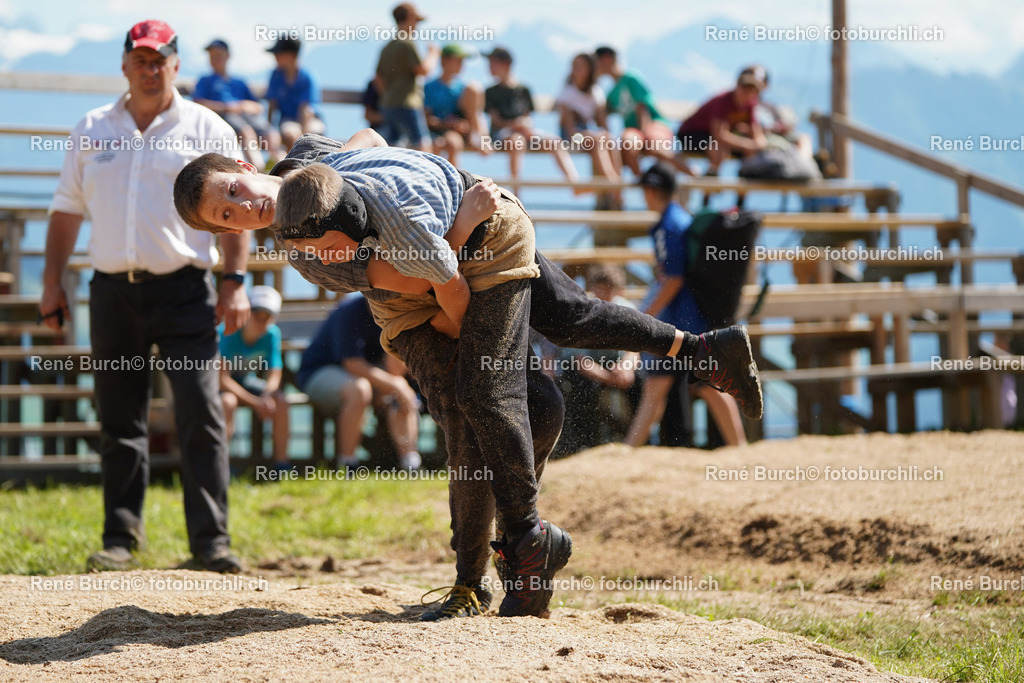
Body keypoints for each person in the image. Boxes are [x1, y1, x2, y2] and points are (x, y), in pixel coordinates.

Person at [172, 131, 763, 620]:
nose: (242, 208)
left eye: (233, 191)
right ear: (231, 237)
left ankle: (524, 543)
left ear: (247, 166)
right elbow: (435, 288)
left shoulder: (314, 160)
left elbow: (373, 140)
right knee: (484, 401)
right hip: (424, 293)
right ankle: (480, 573)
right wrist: (460, 237)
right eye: (226, 218)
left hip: (479, 236)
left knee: (532, 362)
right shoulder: (306, 252)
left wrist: (422, 183)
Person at [39, 19, 250, 574]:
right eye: (141, 59)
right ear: (125, 65)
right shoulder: (91, 127)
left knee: (200, 414)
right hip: (111, 292)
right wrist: (50, 281)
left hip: (185, 291)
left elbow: (240, 209)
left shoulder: (208, 128)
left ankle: (211, 543)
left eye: (160, 60)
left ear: (176, 65)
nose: (150, 69)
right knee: (119, 418)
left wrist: (234, 281)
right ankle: (119, 539)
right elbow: (66, 208)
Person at [625, 164, 747, 448]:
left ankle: (629, 450)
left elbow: (674, 279)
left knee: (694, 385)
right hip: (692, 319)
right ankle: (630, 449)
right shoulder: (679, 218)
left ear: (652, 191)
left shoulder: (668, 224)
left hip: (682, 320)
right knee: (682, 384)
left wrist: (648, 315)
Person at [296, 294, 422, 471]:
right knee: (361, 389)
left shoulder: (397, 309)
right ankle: (348, 465)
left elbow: (396, 363)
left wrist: (394, 383)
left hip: (366, 375)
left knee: (397, 390)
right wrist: (395, 384)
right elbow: (352, 364)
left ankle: (410, 464)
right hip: (320, 372)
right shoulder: (349, 310)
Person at [551, 264, 641, 457]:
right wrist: (610, 378)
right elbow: (579, 360)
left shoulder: (627, 308)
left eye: (608, 289)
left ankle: (638, 441)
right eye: (600, 288)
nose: (604, 294)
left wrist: (627, 367)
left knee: (645, 380)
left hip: (616, 367)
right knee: (577, 385)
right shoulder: (584, 310)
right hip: (587, 369)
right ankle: (582, 445)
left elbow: (635, 350)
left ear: (617, 290)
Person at [484, 46, 579, 192]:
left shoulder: (524, 90)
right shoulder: (490, 91)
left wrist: (526, 126)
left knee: (554, 141)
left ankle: (574, 184)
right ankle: (516, 192)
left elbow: (528, 116)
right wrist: (516, 125)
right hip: (502, 135)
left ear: (506, 64)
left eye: (493, 62)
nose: (489, 67)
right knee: (517, 142)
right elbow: (496, 122)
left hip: (524, 131)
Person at [219, 286, 289, 470]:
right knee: (228, 402)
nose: (261, 321)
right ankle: (221, 467)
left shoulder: (272, 334)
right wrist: (255, 402)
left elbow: (275, 372)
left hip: (244, 381)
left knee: (280, 400)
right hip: (218, 387)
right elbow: (222, 379)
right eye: (257, 314)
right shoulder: (227, 330)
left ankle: (282, 466)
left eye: (267, 317)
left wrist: (267, 395)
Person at [192, 38, 281, 168]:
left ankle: (281, 168)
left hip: (245, 115)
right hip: (223, 116)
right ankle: (260, 170)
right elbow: (198, 103)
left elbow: (258, 106)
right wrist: (227, 108)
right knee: (245, 132)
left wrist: (245, 106)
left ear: (227, 56)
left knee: (270, 133)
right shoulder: (205, 81)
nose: (214, 58)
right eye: (212, 55)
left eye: (218, 55)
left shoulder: (239, 82)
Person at [593, 46, 680, 177]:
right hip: (634, 132)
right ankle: (644, 181)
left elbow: (642, 109)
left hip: (654, 124)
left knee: (654, 146)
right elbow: (601, 116)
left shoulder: (631, 77)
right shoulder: (611, 94)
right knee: (626, 147)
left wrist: (644, 135)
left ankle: (691, 173)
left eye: (595, 62)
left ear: (606, 59)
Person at [676, 67, 767, 176]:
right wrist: (748, 144)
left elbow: (757, 134)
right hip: (690, 135)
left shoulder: (750, 103)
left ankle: (743, 185)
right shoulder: (723, 101)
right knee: (718, 149)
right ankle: (710, 183)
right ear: (737, 87)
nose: (747, 94)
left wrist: (757, 143)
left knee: (749, 152)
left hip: (712, 137)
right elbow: (720, 135)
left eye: (752, 90)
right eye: (745, 88)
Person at [375, 3, 439, 151]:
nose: (417, 26)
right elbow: (423, 70)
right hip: (408, 104)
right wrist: (433, 53)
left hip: (388, 104)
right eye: (417, 21)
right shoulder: (407, 44)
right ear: (410, 18)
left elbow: (378, 78)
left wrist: (390, 94)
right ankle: (426, 174)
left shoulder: (387, 47)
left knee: (392, 145)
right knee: (422, 145)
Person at [555, 53, 621, 194]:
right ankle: (613, 185)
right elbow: (571, 131)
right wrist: (594, 134)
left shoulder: (596, 92)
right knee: (598, 139)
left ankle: (613, 184)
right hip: (572, 137)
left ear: (589, 70)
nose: (576, 70)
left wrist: (604, 135)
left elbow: (604, 125)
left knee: (609, 139)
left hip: (588, 134)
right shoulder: (567, 93)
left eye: (580, 66)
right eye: (574, 66)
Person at [424, 43, 489, 168]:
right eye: (458, 60)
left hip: (458, 133)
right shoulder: (430, 87)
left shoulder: (463, 88)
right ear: (444, 61)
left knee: (453, 142)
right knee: (447, 142)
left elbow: (476, 114)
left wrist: (464, 125)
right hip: (436, 133)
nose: (462, 64)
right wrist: (446, 124)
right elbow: (426, 119)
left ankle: (479, 138)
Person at [266, 37, 326, 152]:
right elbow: (272, 104)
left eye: (278, 54)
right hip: (287, 119)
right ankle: (293, 167)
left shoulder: (307, 76)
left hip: (310, 119)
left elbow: (306, 109)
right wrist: (269, 129)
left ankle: (305, 165)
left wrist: (304, 134)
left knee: (312, 134)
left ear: (290, 55)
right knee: (290, 133)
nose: (275, 57)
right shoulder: (276, 75)